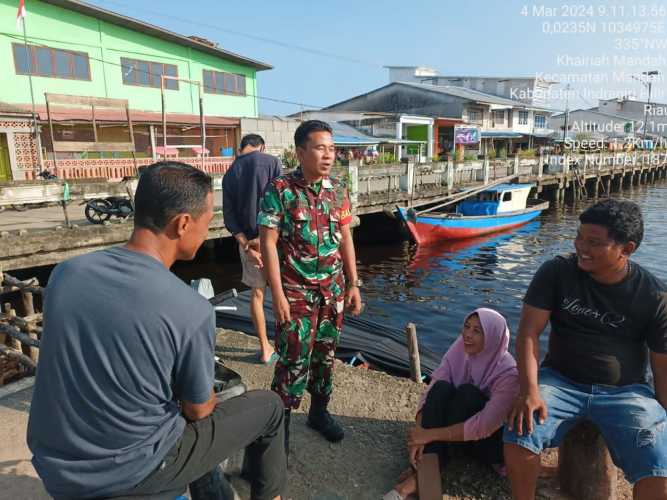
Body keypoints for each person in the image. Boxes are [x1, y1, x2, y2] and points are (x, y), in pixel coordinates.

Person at [27, 162, 286, 500]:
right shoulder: (190, 309)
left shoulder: (66, 273)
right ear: (182, 224)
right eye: (207, 222)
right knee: (269, 406)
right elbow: (199, 410)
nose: (208, 232)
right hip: (133, 474)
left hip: (55, 465)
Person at [504, 199, 667, 500]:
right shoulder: (557, 272)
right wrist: (529, 391)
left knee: (657, 457)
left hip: (626, 391)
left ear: (626, 249)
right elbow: (528, 333)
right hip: (560, 381)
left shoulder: (654, 296)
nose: (581, 246)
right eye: (579, 237)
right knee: (521, 431)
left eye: (594, 242)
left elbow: (662, 368)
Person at [257, 120, 363, 453]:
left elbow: (345, 235)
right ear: (300, 152)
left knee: (325, 355)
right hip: (296, 292)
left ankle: (319, 413)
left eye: (332, 149)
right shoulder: (280, 190)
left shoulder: (339, 189)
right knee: (292, 359)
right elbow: (268, 242)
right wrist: (277, 293)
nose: (328, 155)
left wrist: (353, 282)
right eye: (320, 148)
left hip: (332, 292)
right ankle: (278, 430)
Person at [384, 308, 519, 500]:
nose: (467, 335)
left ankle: (424, 476)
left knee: (467, 394)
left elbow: (485, 426)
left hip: (489, 443)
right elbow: (432, 388)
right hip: (459, 434)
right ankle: (426, 472)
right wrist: (419, 431)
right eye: (466, 327)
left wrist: (428, 435)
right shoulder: (461, 348)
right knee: (441, 388)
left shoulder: (508, 373)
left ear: (493, 338)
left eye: (477, 331)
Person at [223, 133, 282, 364]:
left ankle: (265, 349)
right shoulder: (272, 162)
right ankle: (288, 342)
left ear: (242, 147)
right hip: (275, 240)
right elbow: (281, 201)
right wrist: (264, 240)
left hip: (247, 243)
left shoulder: (230, 173)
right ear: (262, 146)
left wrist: (247, 244)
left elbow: (229, 216)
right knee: (283, 291)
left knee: (257, 295)